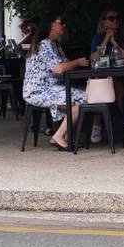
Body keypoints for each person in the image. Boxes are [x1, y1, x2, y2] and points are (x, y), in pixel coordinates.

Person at [22, 13, 89, 151]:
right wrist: (78, 62)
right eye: (61, 22)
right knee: (86, 98)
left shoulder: (54, 44)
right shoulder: (44, 44)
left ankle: (66, 136)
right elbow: (59, 68)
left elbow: (65, 63)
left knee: (84, 94)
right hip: (39, 90)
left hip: (50, 87)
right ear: (52, 24)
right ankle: (59, 136)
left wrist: (72, 63)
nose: (64, 25)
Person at [87, 8, 124, 144]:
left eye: (117, 18)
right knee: (99, 87)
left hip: (122, 76)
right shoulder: (98, 38)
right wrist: (106, 39)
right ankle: (96, 126)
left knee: (118, 86)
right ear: (104, 22)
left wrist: (115, 43)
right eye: (111, 18)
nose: (115, 21)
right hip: (102, 76)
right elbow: (94, 58)